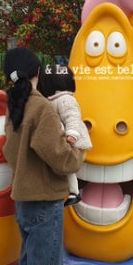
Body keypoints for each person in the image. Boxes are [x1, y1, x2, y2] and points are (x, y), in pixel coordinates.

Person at [1, 47, 85, 265]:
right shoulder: (42, 108)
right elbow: (60, 157)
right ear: (38, 72)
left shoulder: (15, 107)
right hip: (44, 201)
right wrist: (77, 153)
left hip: (24, 200)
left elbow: (11, 151)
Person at [37, 63, 92, 206]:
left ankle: (74, 192)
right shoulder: (54, 100)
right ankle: (73, 192)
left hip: (72, 141)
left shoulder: (65, 99)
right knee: (64, 168)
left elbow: (72, 116)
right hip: (64, 140)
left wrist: (72, 135)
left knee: (67, 168)